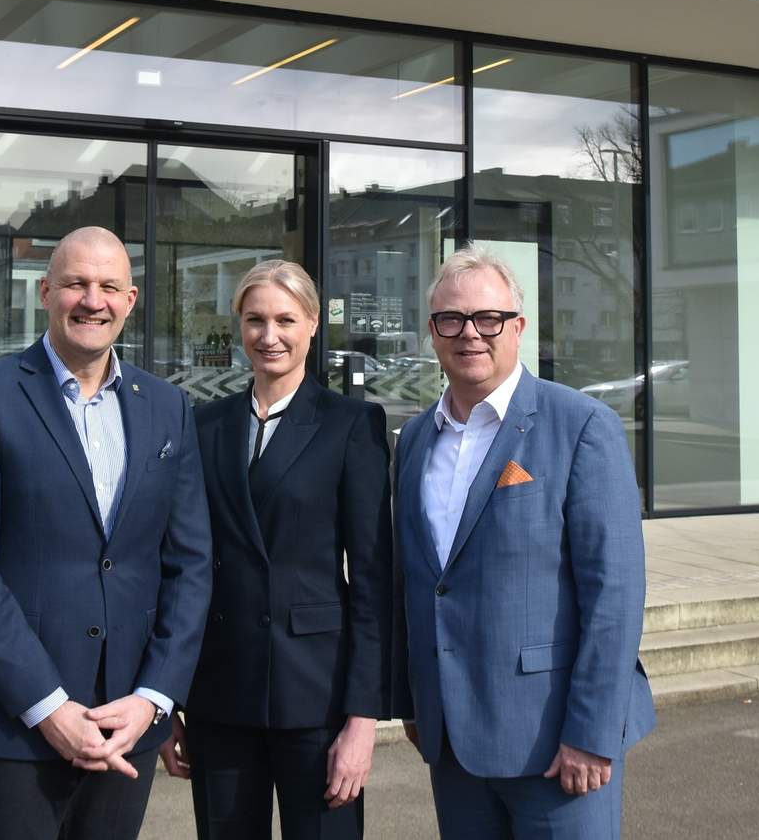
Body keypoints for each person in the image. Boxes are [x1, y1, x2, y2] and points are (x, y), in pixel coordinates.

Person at [0, 226, 212, 840]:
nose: (92, 301)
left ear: (130, 300)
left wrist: (155, 696)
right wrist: (48, 707)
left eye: (108, 286)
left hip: (125, 722)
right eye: (76, 284)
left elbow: (190, 564)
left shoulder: (167, 407)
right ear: (45, 292)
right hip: (14, 725)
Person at [392, 244, 654, 839]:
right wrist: (415, 701)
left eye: (488, 318)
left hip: (556, 743)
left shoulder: (581, 425)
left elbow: (614, 594)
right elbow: (415, 581)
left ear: (518, 326)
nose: (470, 334)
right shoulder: (414, 441)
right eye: (450, 319)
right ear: (432, 333)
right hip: (452, 742)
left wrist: (591, 733)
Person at [159, 259, 392, 840]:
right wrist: (166, 699)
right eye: (255, 320)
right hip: (220, 692)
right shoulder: (204, 425)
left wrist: (363, 719)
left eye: (286, 320)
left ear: (312, 323)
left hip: (317, 696)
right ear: (238, 324)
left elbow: (373, 580)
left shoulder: (352, 424)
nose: (270, 336)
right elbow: (177, 567)